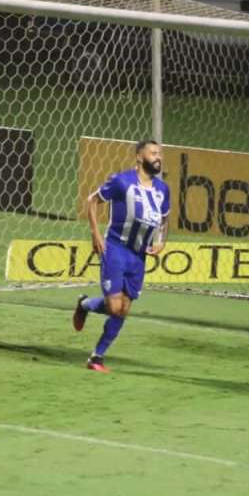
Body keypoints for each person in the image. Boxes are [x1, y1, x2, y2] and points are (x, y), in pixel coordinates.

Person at [72, 140, 170, 372]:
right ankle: (85, 305)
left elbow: (165, 218)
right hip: (115, 248)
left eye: (160, 154)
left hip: (138, 256)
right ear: (139, 157)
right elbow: (92, 201)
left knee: (124, 309)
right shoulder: (122, 181)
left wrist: (161, 241)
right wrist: (96, 234)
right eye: (153, 153)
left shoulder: (162, 190)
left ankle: (96, 357)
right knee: (115, 307)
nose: (159, 157)